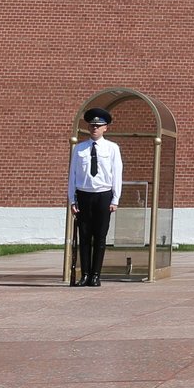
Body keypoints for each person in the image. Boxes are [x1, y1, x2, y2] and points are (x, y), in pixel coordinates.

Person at [68, 107, 122, 286]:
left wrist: (115, 199)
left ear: (106, 128)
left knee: (99, 237)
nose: (95, 128)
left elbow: (117, 174)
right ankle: (85, 274)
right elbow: (73, 175)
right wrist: (72, 199)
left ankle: (96, 275)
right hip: (84, 195)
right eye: (92, 125)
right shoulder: (79, 148)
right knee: (84, 236)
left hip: (103, 195)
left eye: (98, 126)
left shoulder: (112, 148)